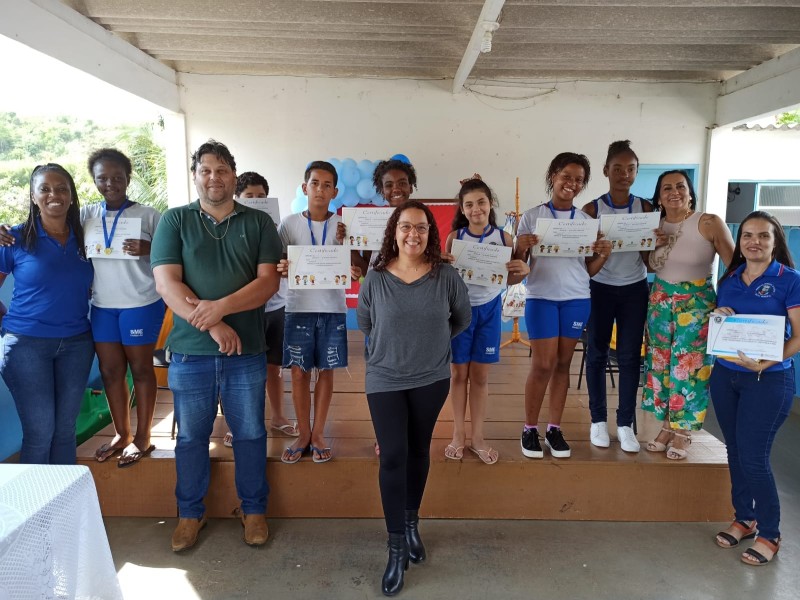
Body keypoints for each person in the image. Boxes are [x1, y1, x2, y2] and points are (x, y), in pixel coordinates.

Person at [150, 140, 282, 551]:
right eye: (206, 170)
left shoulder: (258, 224)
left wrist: (220, 310)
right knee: (190, 437)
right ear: (195, 175)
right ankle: (190, 513)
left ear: (233, 176)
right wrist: (212, 327)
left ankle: (254, 509)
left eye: (222, 170)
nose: (214, 178)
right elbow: (167, 284)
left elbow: (267, 283)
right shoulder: (174, 221)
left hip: (247, 350)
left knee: (249, 432)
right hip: (191, 351)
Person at [358, 200, 470, 596]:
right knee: (392, 455)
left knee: (419, 449)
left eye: (421, 228)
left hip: (431, 378)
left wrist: (431, 347)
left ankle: (410, 524)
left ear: (430, 233)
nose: (413, 234)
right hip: (384, 377)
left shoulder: (446, 276)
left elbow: (461, 319)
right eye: (405, 226)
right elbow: (366, 324)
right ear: (394, 231)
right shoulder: (375, 278)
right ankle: (394, 548)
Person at [709, 210, 800, 566]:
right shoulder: (729, 279)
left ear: (775, 241)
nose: (754, 242)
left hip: (769, 379)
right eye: (747, 235)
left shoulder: (790, 280)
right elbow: (721, 323)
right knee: (734, 449)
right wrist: (720, 317)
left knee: (754, 455)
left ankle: (770, 532)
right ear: (740, 240)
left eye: (763, 236)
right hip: (727, 375)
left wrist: (770, 359)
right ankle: (744, 516)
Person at [514, 153, 611, 459]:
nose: (572, 184)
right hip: (541, 297)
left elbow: (589, 270)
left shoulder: (586, 222)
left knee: (562, 364)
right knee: (542, 364)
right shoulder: (531, 217)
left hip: (577, 299)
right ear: (554, 176)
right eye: (566, 176)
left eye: (579, 180)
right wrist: (521, 246)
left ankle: (554, 428)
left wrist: (604, 254)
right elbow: (519, 266)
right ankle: (530, 428)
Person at [0, 164, 95, 464]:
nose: (54, 194)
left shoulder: (87, 236)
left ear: (71, 195)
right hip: (27, 346)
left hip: (77, 344)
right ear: (33, 196)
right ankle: (36, 510)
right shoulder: (14, 238)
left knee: (66, 431)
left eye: (62, 188)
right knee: (40, 433)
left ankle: (63, 509)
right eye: (45, 189)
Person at [642, 170, 734, 459]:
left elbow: (734, 268)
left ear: (690, 191)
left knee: (689, 368)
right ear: (659, 196)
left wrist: (729, 305)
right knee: (662, 366)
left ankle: (683, 433)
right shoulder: (655, 225)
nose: (674, 192)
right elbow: (650, 266)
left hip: (696, 305)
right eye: (667, 188)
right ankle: (668, 426)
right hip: (659, 301)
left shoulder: (708, 223)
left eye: (680, 186)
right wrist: (653, 244)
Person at [82, 149, 165, 467]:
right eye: (103, 178)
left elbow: (174, 254)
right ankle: (122, 433)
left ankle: (143, 436)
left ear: (128, 179)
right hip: (102, 305)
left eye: (117, 177)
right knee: (110, 371)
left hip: (140, 303)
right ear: (94, 180)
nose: (110, 183)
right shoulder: (86, 214)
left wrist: (150, 248)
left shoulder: (148, 215)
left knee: (142, 370)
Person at [444, 175, 529, 464]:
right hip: (459, 312)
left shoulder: (505, 238)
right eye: (469, 204)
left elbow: (511, 277)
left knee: (479, 378)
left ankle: (478, 437)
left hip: (490, 311)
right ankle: (458, 434)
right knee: (458, 375)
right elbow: (445, 279)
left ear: (489, 203)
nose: (475, 209)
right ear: (462, 208)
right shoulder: (454, 238)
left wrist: (522, 270)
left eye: (481, 202)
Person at [581, 140, 652, 452]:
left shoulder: (647, 209)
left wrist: (656, 241)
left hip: (635, 289)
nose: (625, 174)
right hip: (600, 288)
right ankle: (598, 420)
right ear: (606, 171)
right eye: (618, 168)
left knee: (628, 357)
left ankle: (625, 424)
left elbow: (650, 261)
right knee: (596, 354)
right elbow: (583, 261)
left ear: (637, 172)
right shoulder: (592, 210)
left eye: (631, 169)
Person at [277, 161, 348, 464]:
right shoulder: (289, 224)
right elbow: (279, 263)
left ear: (335, 191)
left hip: (333, 309)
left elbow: (354, 265)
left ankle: (318, 433)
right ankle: (303, 433)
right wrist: (282, 268)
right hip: (298, 308)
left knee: (326, 371)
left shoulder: (344, 225)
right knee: (298, 373)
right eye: (315, 183)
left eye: (327, 184)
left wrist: (350, 252)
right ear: (304, 188)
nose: (320, 189)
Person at [222, 171, 298, 447]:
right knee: (240, 368)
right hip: (243, 308)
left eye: (261, 197)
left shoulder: (277, 229)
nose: (256, 201)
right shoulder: (229, 229)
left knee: (273, 367)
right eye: (249, 197)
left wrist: (289, 263)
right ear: (237, 199)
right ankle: (237, 423)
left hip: (276, 305)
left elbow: (290, 262)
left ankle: (278, 417)